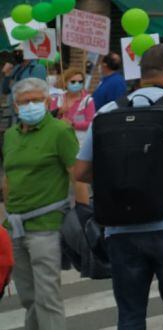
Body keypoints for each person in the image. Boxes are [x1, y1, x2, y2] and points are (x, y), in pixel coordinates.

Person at [73, 45, 163, 329]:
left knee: (129, 316)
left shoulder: (107, 111)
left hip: (121, 229)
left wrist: (117, 177)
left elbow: (80, 171)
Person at [5, 77, 87, 330]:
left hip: (46, 227)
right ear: (16, 107)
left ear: (48, 101)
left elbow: (78, 176)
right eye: (24, 102)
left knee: (47, 297)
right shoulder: (10, 135)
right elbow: (8, 177)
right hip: (14, 227)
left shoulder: (60, 131)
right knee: (29, 298)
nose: (30, 105)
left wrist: (83, 217)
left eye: (36, 100)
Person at [2, 50, 48, 124]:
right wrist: (7, 74)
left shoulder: (37, 68)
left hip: (28, 113)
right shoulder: (16, 68)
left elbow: (38, 92)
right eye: (15, 51)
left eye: (20, 51)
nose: (17, 54)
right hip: (15, 114)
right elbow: (5, 90)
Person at [52, 67, 96, 145]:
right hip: (60, 140)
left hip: (79, 142)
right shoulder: (58, 98)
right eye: (73, 82)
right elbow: (50, 119)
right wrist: (59, 112)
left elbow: (90, 123)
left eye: (80, 82)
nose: (77, 84)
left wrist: (73, 124)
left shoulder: (87, 101)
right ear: (65, 82)